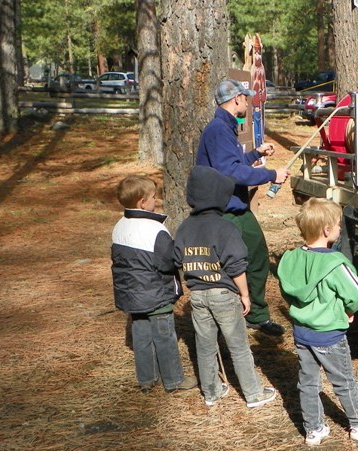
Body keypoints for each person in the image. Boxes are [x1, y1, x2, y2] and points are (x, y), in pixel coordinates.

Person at [277, 198, 358, 445]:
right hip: (330, 335)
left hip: (302, 333)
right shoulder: (335, 263)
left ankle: (313, 429)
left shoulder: (290, 258)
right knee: (344, 382)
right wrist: (348, 310)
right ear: (327, 230)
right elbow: (356, 293)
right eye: (337, 224)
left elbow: (287, 291)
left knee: (307, 382)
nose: (339, 228)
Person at [174, 165, 277, 408]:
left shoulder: (184, 227)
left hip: (197, 296)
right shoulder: (225, 227)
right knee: (239, 346)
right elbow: (237, 267)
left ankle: (211, 392)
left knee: (205, 345)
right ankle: (253, 394)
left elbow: (176, 258)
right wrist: (245, 295)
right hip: (225, 295)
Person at [196, 78, 289, 336]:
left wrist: (256, 154)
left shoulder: (227, 127)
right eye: (245, 98)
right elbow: (230, 172)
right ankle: (229, 319)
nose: (247, 101)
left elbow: (233, 162)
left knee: (258, 255)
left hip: (237, 206)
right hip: (223, 210)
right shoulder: (217, 129)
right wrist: (272, 175)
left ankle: (256, 316)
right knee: (231, 266)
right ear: (236, 99)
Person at [110, 175, 198, 395]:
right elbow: (167, 262)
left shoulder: (119, 226)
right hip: (156, 294)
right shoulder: (154, 229)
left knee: (140, 334)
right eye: (153, 197)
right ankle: (174, 380)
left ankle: (146, 379)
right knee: (165, 336)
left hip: (132, 295)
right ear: (142, 202)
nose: (155, 201)